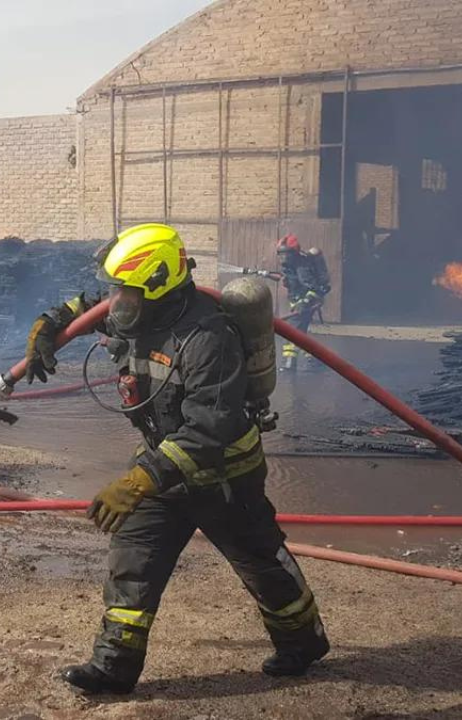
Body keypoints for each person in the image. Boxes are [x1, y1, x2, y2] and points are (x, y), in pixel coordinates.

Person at [23, 223, 329, 695]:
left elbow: (210, 427)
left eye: (126, 291)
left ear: (159, 285)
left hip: (225, 476)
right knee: (133, 561)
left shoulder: (207, 337)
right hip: (160, 471)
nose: (116, 301)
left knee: (260, 564)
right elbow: (85, 308)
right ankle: (113, 668)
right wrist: (47, 326)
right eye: (116, 291)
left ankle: (302, 642)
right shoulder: (135, 308)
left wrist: (137, 482)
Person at [275, 234, 331, 370]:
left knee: (292, 331)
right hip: (297, 302)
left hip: (307, 303)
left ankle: (290, 362)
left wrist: (304, 302)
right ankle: (313, 359)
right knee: (300, 332)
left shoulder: (302, 268)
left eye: (286, 254)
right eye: (280, 254)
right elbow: (294, 286)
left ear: (293, 254)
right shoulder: (292, 266)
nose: (283, 257)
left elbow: (313, 288)